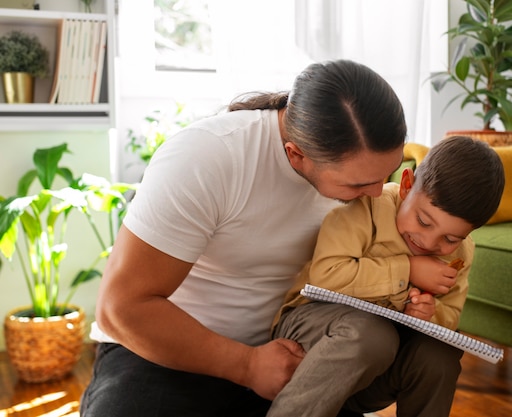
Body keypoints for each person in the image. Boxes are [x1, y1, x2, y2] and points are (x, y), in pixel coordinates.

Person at [79, 59, 408, 417]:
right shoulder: (208, 156)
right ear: (296, 155)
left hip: (286, 354)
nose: (378, 194)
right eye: (358, 184)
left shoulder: (368, 186)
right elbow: (120, 308)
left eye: (388, 173)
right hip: (162, 354)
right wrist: (247, 365)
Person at [269, 136, 505, 417]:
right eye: (424, 221)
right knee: (372, 335)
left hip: (373, 371)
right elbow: (326, 275)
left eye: (451, 238)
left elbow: (450, 315)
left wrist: (429, 313)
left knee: (439, 356)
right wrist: (408, 269)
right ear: (406, 186)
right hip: (308, 337)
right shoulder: (367, 208)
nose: (429, 242)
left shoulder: (461, 254)